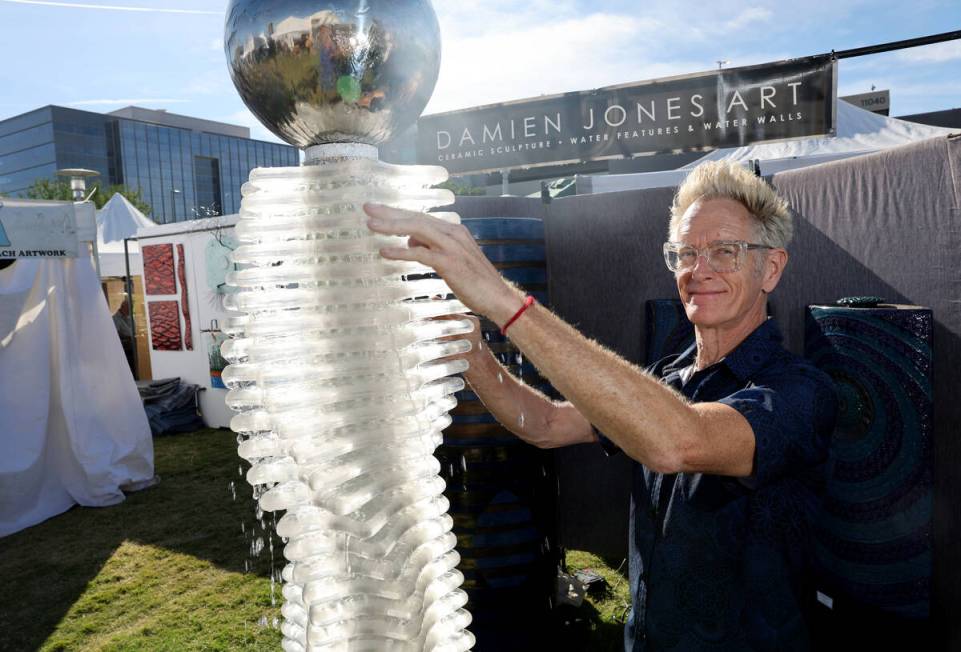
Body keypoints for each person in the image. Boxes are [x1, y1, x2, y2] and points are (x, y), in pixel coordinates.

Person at [364, 160, 838, 651]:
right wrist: (477, 359)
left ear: (772, 268)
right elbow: (546, 423)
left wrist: (503, 300)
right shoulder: (667, 380)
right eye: (686, 253)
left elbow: (679, 442)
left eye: (726, 251)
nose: (700, 270)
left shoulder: (800, 393)